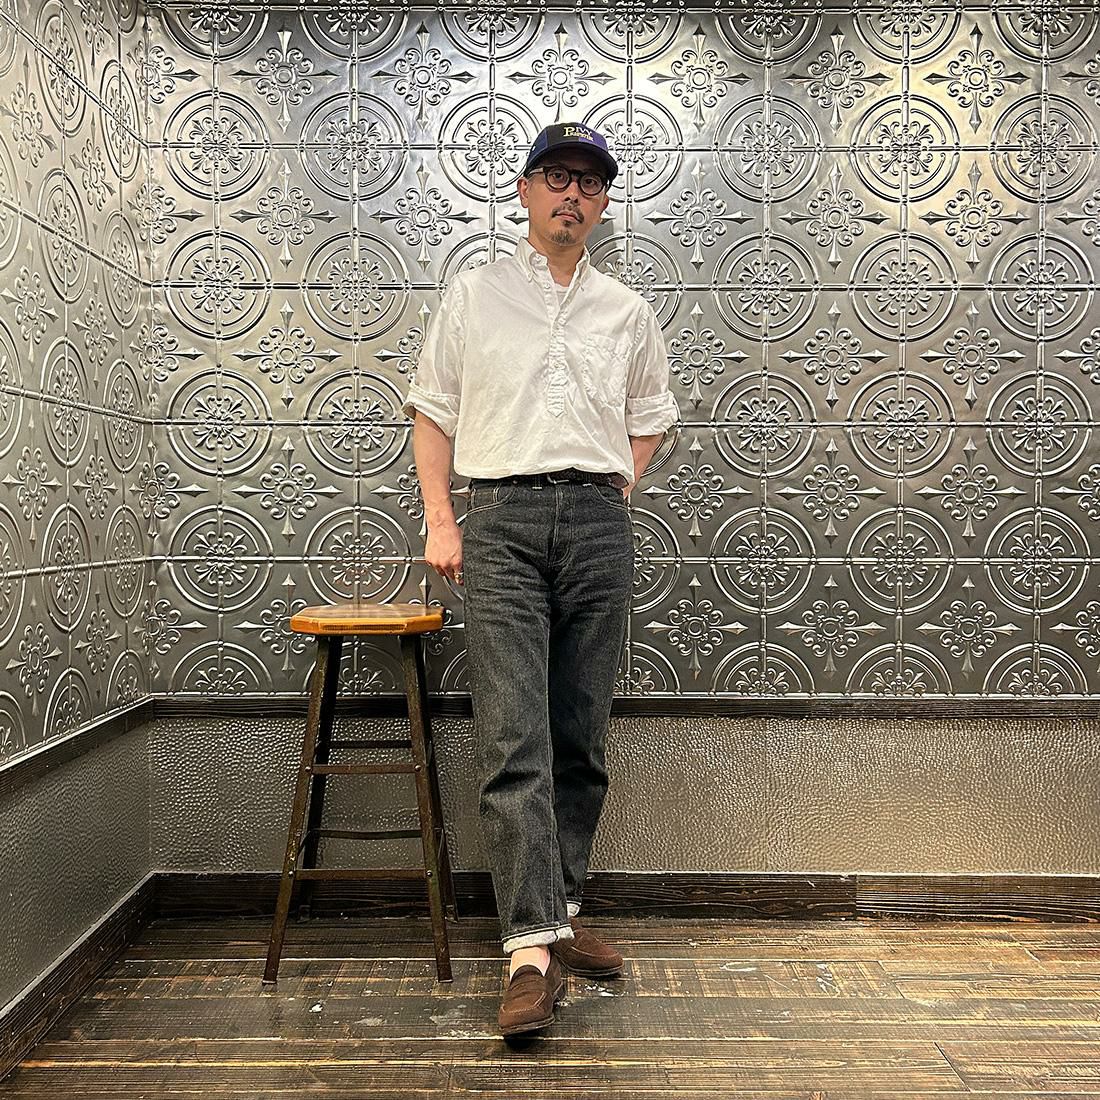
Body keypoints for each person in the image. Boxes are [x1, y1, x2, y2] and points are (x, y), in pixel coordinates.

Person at [403, 121, 678, 1037]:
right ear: (525, 190)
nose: (573, 195)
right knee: (512, 735)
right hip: (504, 520)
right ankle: (529, 952)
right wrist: (443, 520)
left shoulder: (626, 311)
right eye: (557, 177)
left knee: (580, 736)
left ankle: (558, 912)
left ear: (603, 205)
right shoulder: (474, 296)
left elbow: (652, 417)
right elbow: (434, 412)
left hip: (598, 524)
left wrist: (616, 482)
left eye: (590, 184)